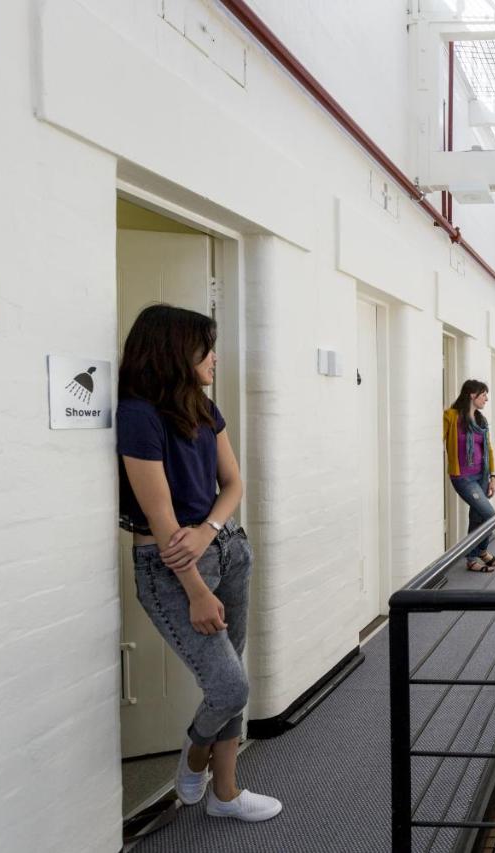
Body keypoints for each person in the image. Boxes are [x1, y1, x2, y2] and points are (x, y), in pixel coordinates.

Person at [116, 304, 282, 823]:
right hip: (172, 569)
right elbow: (160, 515)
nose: (214, 357)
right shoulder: (138, 415)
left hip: (229, 549)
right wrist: (194, 589)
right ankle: (193, 754)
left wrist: (211, 528)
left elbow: (233, 484)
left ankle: (225, 794)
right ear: (172, 351)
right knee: (230, 686)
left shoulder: (204, 408)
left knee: (231, 678)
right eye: (204, 348)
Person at [443, 379, 495, 573]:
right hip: (463, 477)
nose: (486, 398)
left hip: (482, 475)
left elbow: (488, 449)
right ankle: (479, 551)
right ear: (471, 395)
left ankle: (476, 556)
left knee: (477, 518)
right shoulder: (451, 416)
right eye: (483, 394)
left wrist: (493, 476)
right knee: (489, 514)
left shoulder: (481, 420)